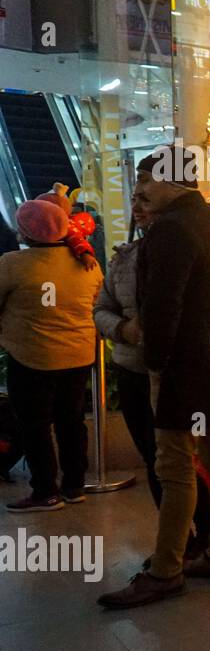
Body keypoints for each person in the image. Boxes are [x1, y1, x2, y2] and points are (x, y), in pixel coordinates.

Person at [98, 146, 210, 609]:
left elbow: (164, 307)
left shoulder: (169, 231)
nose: (140, 189)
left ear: (174, 182)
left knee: (174, 467)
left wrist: (156, 362)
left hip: (179, 368)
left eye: (147, 179)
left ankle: (166, 571)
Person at [0, 195, 102, 512]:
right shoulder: (88, 263)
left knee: (35, 424)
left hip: (31, 356)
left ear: (25, 232)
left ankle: (45, 490)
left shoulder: (12, 265)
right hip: (78, 355)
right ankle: (74, 485)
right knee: (71, 420)